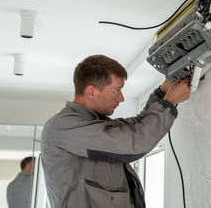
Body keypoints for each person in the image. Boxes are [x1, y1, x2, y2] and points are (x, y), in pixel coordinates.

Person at [41, 54, 190, 208]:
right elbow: (134, 143)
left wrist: (162, 92)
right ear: (91, 92)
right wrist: (169, 103)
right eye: (116, 90)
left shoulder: (95, 124)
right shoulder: (63, 126)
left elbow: (137, 126)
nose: (121, 98)